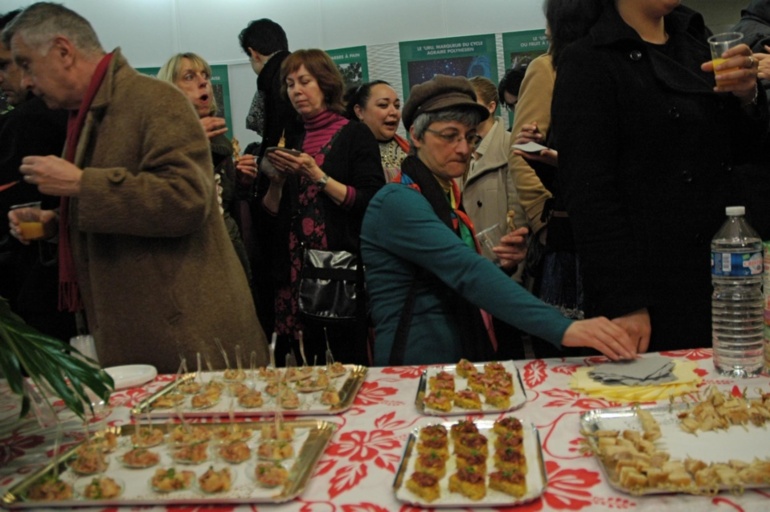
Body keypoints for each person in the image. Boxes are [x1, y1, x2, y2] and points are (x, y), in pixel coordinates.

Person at [4, 2, 269, 373]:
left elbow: (187, 200)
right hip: (147, 335)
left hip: (190, 339)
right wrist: (54, 224)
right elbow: (120, 212)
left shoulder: (155, 101)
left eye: (27, 65)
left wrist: (82, 183)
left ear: (63, 51)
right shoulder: (87, 116)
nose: (25, 81)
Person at [360, 74, 638, 366]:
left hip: (449, 366)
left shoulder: (443, 196)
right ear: (416, 136)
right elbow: (465, 271)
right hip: (414, 372)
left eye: (469, 137)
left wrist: (501, 266)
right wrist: (564, 327)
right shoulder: (398, 201)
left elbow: (446, 274)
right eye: (449, 136)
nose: (463, 149)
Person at [551, 0, 767, 353]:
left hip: (727, 277)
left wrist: (748, 96)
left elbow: (743, 156)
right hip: (649, 288)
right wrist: (625, 302)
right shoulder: (590, 58)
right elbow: (590, 195)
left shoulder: (698, 42)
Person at [258, 49, 384, 365]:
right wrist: (275, 182)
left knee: (344, 362)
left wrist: (317, 175)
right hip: (293, 271)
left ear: (325, 84)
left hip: (336, 272)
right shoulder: (290, 137)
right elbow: (270, 215)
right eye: (290, 84)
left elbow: (370, 199)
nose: (296, 91)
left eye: (305, 81)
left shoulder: (355, 133)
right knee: (301, 365)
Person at [507, 0, 605, 358]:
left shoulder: (614, 65)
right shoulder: (548, 68)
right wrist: (543, 220)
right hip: (568, 237)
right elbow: (522, 152)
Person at [0, 8, 74, 342]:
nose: (2, 77)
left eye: (7, 65)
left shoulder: (28, 120)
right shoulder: (70, 115)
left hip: (43, 289)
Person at [157, 52, 252, 281]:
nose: (203, 82)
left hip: (227, 248)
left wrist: (243, 182)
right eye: (189, 76)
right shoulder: (158, 139)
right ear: (170, 89)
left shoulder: (220, 140)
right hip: (186, 258)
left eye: (205, 75)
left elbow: (225, 203)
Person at [238, 18, 303, 337]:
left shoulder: (269, 75)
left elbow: (272, 136)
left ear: (253, 53)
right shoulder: (293, 67)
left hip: (283, 190)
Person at [464, 75, 528, 360]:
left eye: (471, 103)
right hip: (472, 272)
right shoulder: (462, 150)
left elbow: (521, 213)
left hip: (505, 269)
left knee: (509, 352)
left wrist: (514, 267)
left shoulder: (511, 147)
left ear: (490, 107)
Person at [344, 80, 409, 182]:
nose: (394, 112)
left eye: (397, 106)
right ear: (359, 112)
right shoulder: (348, 152)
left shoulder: (410, 150)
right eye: (383, 105)